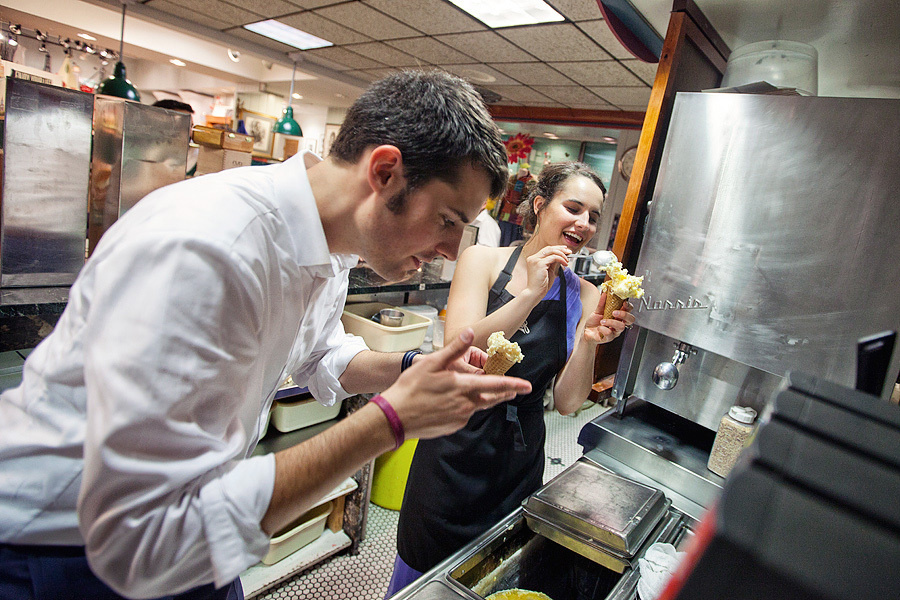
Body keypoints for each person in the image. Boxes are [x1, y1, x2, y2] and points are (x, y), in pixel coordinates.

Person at [0, 70, 532, 600]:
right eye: (446, 219)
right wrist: (390, 420)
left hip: (193, 516)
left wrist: (412, 370)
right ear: (386, 171)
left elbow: (321, 353)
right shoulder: (210, 249)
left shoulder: (335, 245)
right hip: (66, 546)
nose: (450, 249)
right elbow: (139, 541)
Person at [387, 162, 636, 595]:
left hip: (517, 460)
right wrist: (529, 295)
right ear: (540, 205)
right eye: (573, 208)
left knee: (491, 578)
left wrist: (592, 340)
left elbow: (567, 402)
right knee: (424, 577)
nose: (584, 224)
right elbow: (458, 347)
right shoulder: (482, 260)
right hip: (453, 446)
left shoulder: (586, 294)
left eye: (594, 216)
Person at [495, 165, 535, 246]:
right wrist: (498, 214)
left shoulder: (531, 182)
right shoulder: (512, 178)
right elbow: (504, 198)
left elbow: (530, 202)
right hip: (505, 215)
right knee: (501, 241)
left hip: (518, 218)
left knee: (513, 243)